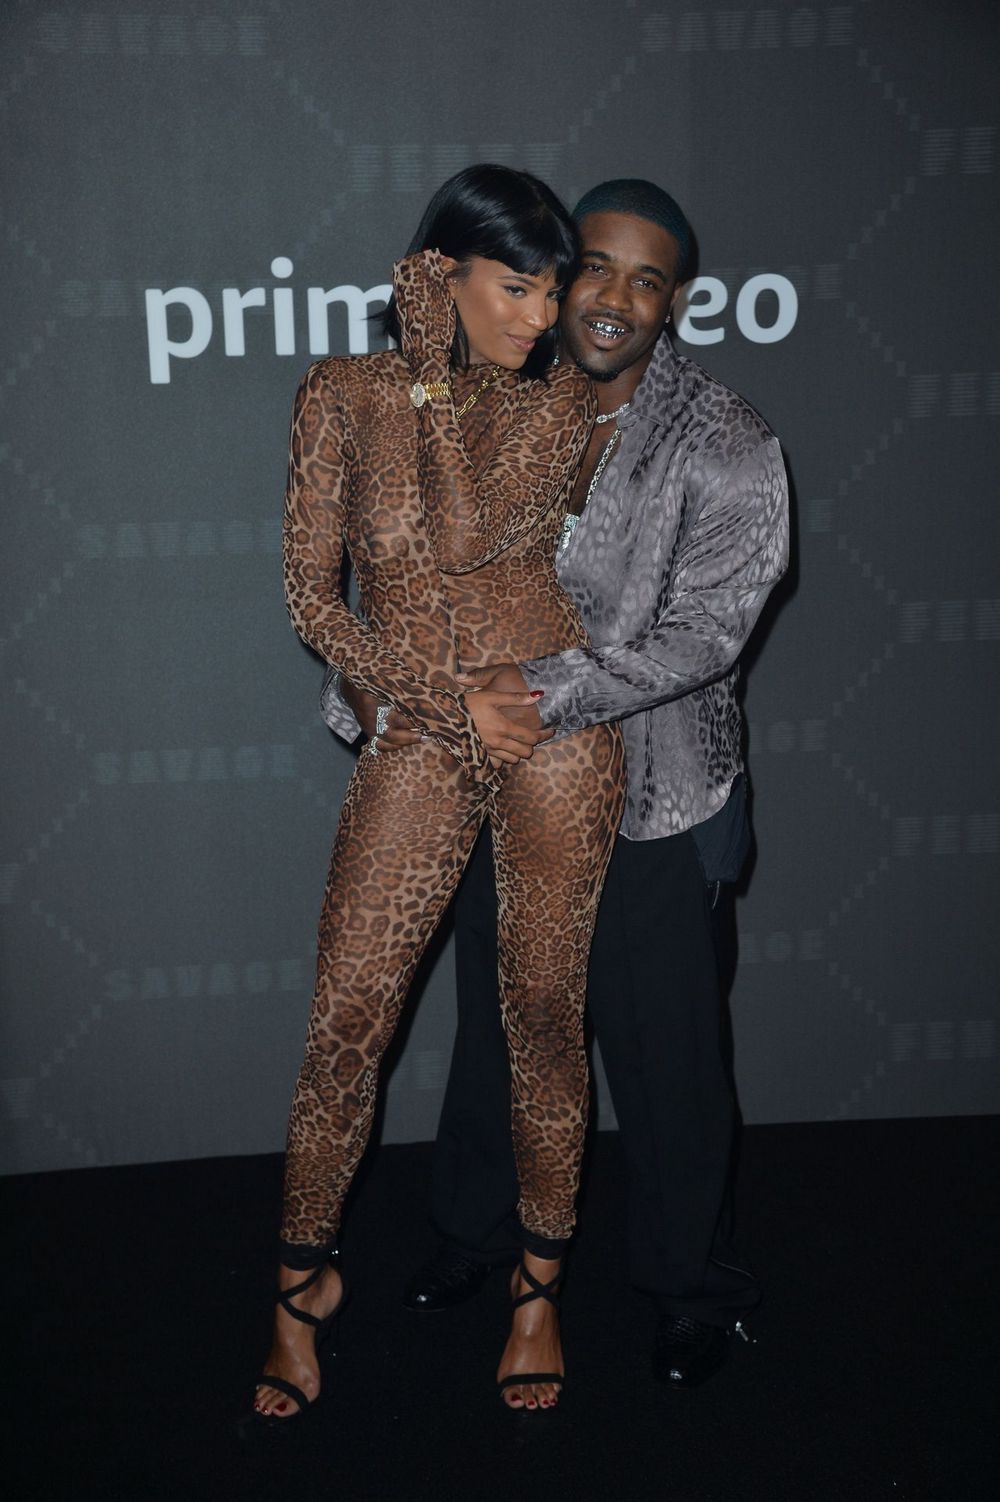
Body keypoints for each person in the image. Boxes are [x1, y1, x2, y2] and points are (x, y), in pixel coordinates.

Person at [330, 180, 790, 1389]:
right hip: (496, 785)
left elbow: (704, 635)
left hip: (655, 795)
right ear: (556, 272)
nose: (614, 297)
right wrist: (369, 690)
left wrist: (539, 692)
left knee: (668, 1062)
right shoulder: (488, 400)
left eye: (648, 279)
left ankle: (689, 1286)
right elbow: (403, 569)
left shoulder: (727, 440)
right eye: (595, 266)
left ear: (674, 302)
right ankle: (475, 1232)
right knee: (501, 1029)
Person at [253, 164, 625, 1423]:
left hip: (548, 725)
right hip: (425, 729)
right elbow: (312, 596)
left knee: (542, 1012)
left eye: (551, 289)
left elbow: (463, 525)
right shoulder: (341, 393)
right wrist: (437, 697)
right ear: (436, 274)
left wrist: (434, 373)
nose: (542, 314)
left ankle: (537, 1287)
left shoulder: (560, 401)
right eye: (516, 286)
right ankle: (299, 1287)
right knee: (345, 1020)